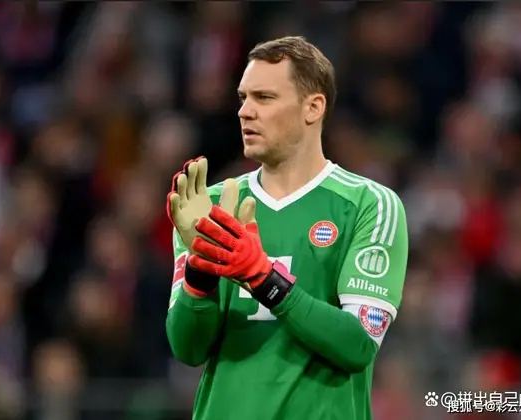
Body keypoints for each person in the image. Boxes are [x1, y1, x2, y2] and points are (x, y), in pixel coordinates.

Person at [165, 36, 409, 420]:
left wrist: (262, 276)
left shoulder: (370, 205)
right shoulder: (208, 206)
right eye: (243, 98)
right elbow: (187, 349)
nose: (245, 111)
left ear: (313, 107)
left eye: (264, 98)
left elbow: (357, 345)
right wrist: (200, 273)